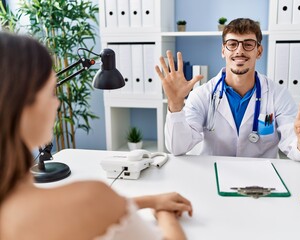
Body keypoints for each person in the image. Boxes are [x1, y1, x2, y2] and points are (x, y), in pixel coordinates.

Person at [0, 32, 192, 240]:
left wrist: (148, 201)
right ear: (22, 106)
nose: (56, 103)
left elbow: (74, 212)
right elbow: (93, 207)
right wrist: (164, 214)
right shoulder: (94, 197)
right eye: (50, 92)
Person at [155, 18, 300, 161]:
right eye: (232, 44)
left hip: (261, 180)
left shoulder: (278, 95)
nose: (239, 50)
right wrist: (175, 106)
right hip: (213, 175)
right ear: (223, 50)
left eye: (248, 44)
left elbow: (294, 145)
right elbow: (178, 148)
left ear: (259, 51)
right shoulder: (202, 95)